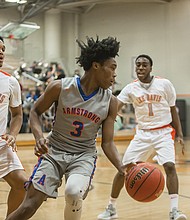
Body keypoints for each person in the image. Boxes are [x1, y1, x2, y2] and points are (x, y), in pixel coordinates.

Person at [6, 36, 127, 220]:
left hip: (83, 156)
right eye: (112, 67)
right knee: (29, 205)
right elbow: (35, 112)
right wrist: (39, 137)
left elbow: (108, 143)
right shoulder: (60, 87)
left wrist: (122, 167)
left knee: (73, 192)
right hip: (54, 151)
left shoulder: (110, 102)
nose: (115, 74)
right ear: (96, 66)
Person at [98, 54, 187, 220]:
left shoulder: (164, 84)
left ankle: (174, 210)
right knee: (123, 169)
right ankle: (111, 208)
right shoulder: (130, 88)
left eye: (144, 65)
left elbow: (173, 109)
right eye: (138, 65)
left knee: (169, 166)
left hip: (163, 132)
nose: (140, 68)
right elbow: (116, 105)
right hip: (142, 134)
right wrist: (108, 115)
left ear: (151, 68)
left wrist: (179, 133)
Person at [0, 36, 28, 216]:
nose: (1, 53)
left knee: (23, 184)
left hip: (1, 145)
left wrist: (13, 134)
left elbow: (17, 115)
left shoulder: (10, 82)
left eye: (3, 49)